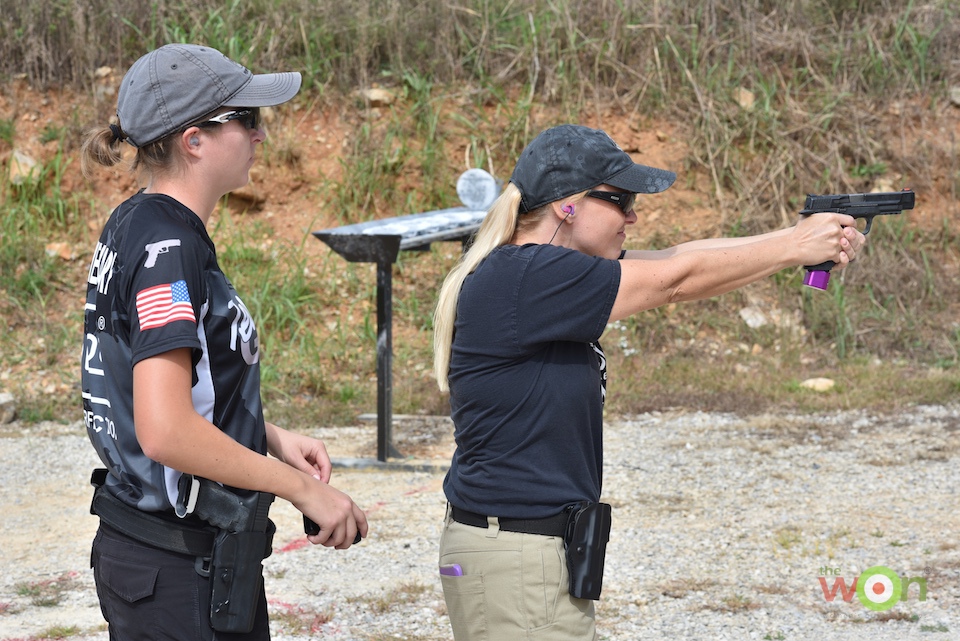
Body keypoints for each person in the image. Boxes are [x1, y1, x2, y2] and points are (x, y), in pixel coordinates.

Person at [432, 124, 865, 640]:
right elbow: (675, 281)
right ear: (566, 205)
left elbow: (677, 259)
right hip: (517, 558)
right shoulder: (531, 275)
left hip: (524, 551)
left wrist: (795, 240)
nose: (633, 215)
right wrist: (795, 245)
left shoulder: (530, 271)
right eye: (620, 200)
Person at [79, 43, 367, 640]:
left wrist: (266, 434)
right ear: (194, 140)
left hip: (162, 555)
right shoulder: (169, 249)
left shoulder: (140, 223)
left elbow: (159, 391)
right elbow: (165, 430)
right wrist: (302, 490)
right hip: (178, 566)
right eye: (248, 119)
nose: (260, 137)